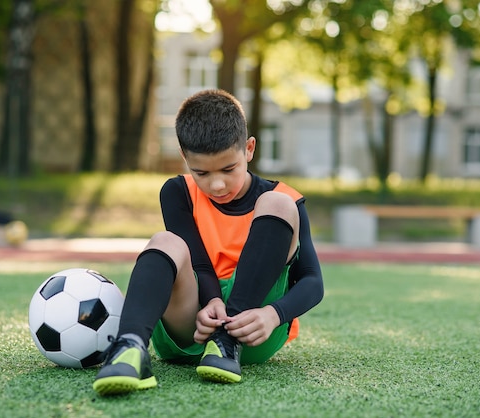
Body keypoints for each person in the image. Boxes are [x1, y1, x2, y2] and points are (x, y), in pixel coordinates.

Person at [93, 89, 324, 396]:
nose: (216, 184)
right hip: (191, 326)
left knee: (279, 204)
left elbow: (312, 281)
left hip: (250, 329)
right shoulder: (178, 192)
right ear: (184, 157)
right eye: (201, 172)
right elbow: (198, 262)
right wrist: (213, 300)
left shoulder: (287, 197)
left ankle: (226, 342)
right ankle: (129, 346)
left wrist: (274, 314)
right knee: (165, 241)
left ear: (249, 148)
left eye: (229, 169)